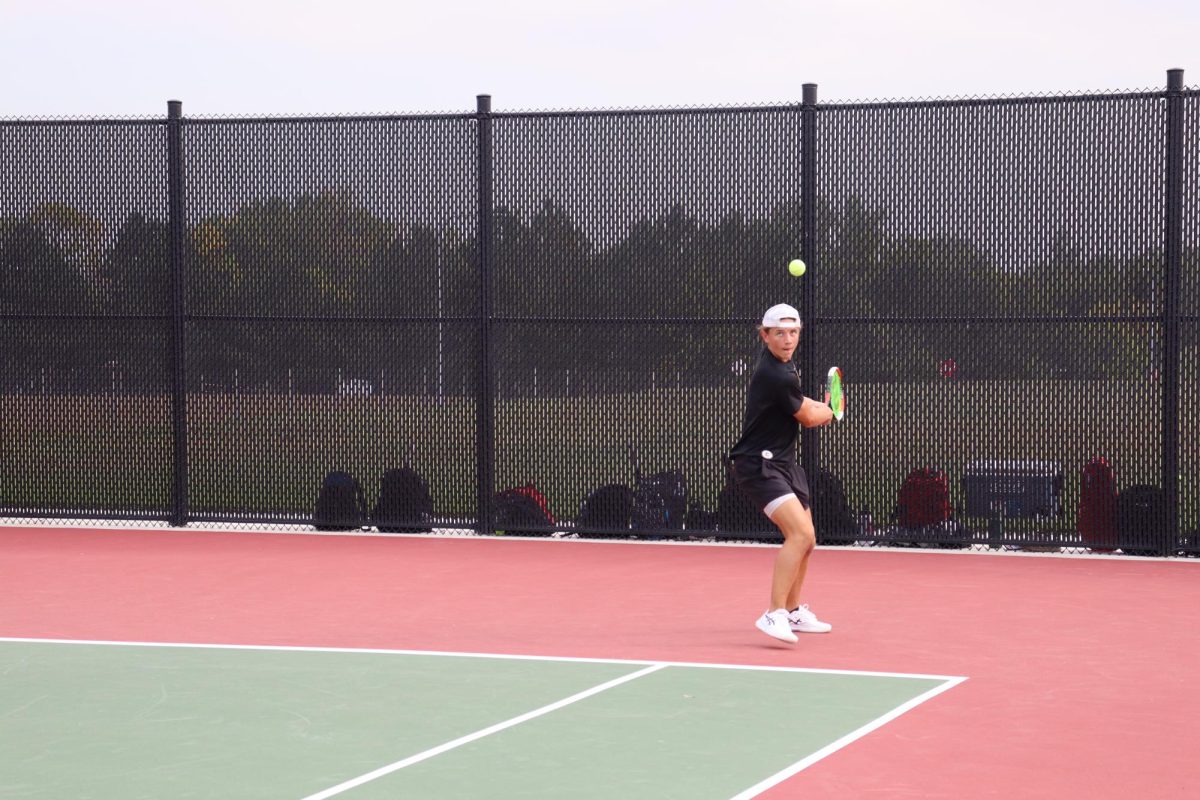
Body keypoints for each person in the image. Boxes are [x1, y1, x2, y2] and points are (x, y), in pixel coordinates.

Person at [729, 303, 834, 644]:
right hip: (759, 465)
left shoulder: (783, 369)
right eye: (779, 333)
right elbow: (807, 416)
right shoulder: (776, 373)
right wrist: (829, 412)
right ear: (765, 335)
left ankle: (792, 612)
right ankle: (773, 614)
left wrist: (823, 407)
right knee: (799, 536)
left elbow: (800, 403)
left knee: (809, 540)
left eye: (793, 333)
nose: (787, 339)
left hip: (784, 464)